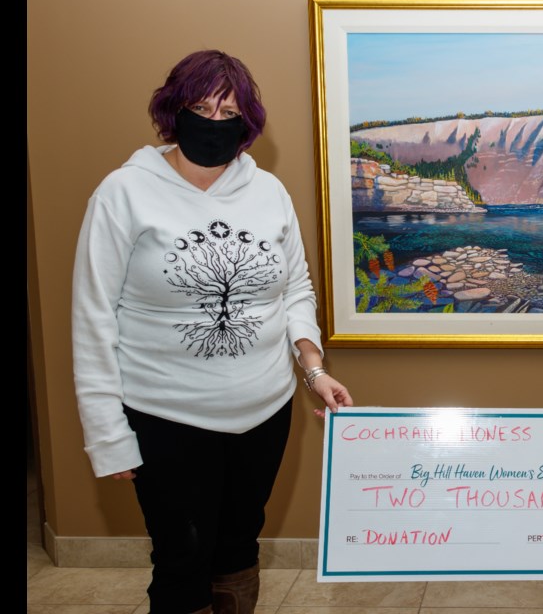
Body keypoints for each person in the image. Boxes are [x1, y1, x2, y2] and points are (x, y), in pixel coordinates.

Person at [72, 50, 353, 614]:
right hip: (166, 416)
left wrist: (313, 368)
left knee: (237, 549)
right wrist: (106, 431)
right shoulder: (123, 193)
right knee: (182, 558)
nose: (214, 122)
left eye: (229, 112)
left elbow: (295, 287)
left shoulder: (268, 192)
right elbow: (92, 315)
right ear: (172, 112)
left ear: (247, 122)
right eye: (201, 108)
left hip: (263, 412)